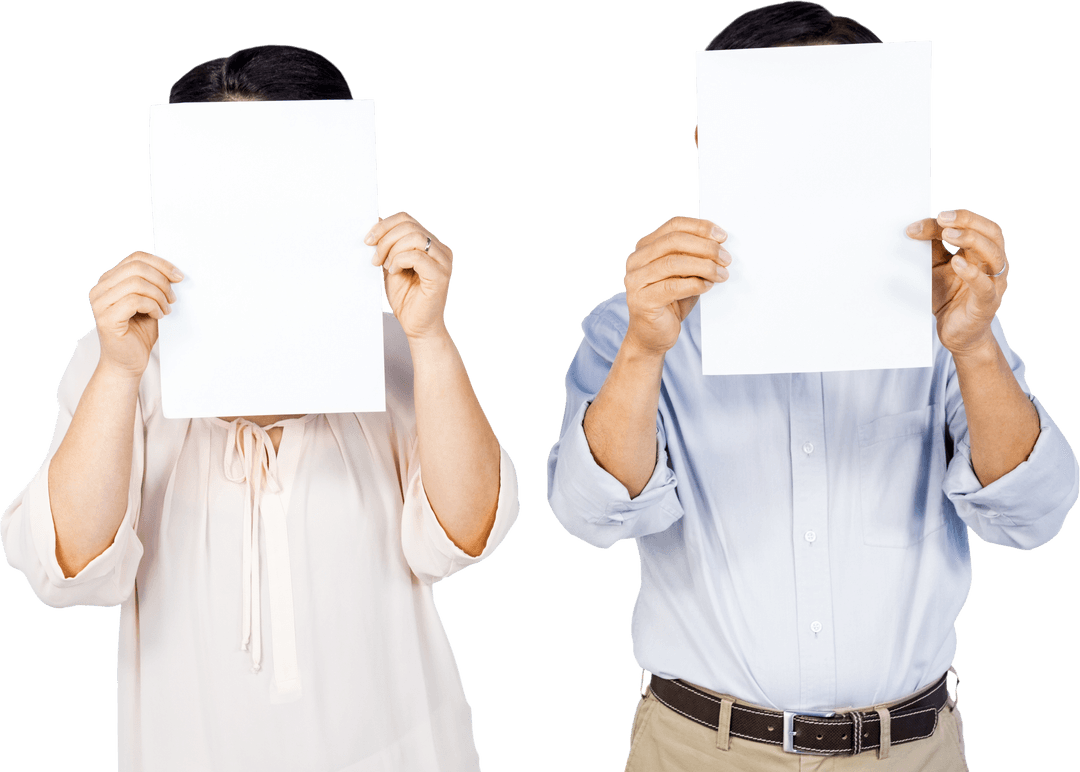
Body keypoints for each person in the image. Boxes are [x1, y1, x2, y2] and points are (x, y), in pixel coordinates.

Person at [545, 3, 1078, 770]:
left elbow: (1035, 512)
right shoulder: (630, 326)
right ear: (708, 140)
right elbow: (590, 514)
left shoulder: (944, 317)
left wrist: (975, 349)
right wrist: (643, 350)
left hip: (912, 751)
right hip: (700, 749)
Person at [0, 44, 519, 772]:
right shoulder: (120, 356)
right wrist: (119, 373)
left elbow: (464, 535)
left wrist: (430, 337)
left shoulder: (394, 346)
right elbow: (73, 569)